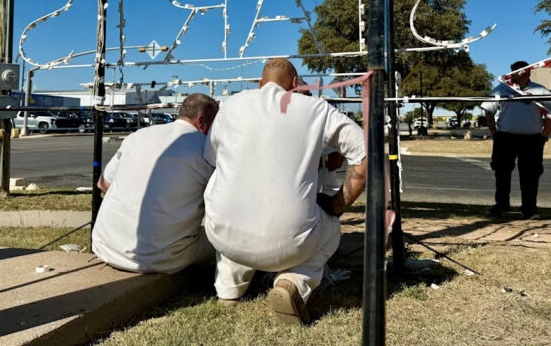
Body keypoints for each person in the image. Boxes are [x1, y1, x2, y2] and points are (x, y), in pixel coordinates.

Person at [203, 58, 367, 325]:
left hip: (223, 235)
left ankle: (229, 291)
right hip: (290, 241)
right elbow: (365, 153)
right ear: (295, 84)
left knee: (231, 211)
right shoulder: (316, 109)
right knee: (331, 228)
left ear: (259, 84)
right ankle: (294, 281)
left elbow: (212, 160)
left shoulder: (229, 106)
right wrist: (338, 204)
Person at [91, 93, 219, 274]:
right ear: (201, 122)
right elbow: (223, 202)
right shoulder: (206, 147)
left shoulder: (138, 135)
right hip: (163, 257)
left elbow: (103, 184)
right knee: (226, 240)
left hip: (105, 247)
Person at [481, 61, 551, 219]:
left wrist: (544, 136)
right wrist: (494, 133)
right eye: (513, 71)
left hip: (532, 140)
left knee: (530, 175)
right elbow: (488, 112)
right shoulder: (501, 89)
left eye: (519, 71)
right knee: (502, 173)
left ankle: (529, 209)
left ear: (528, 72)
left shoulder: (540, 90)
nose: (515, 74)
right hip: (505, 138)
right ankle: (501, 206)